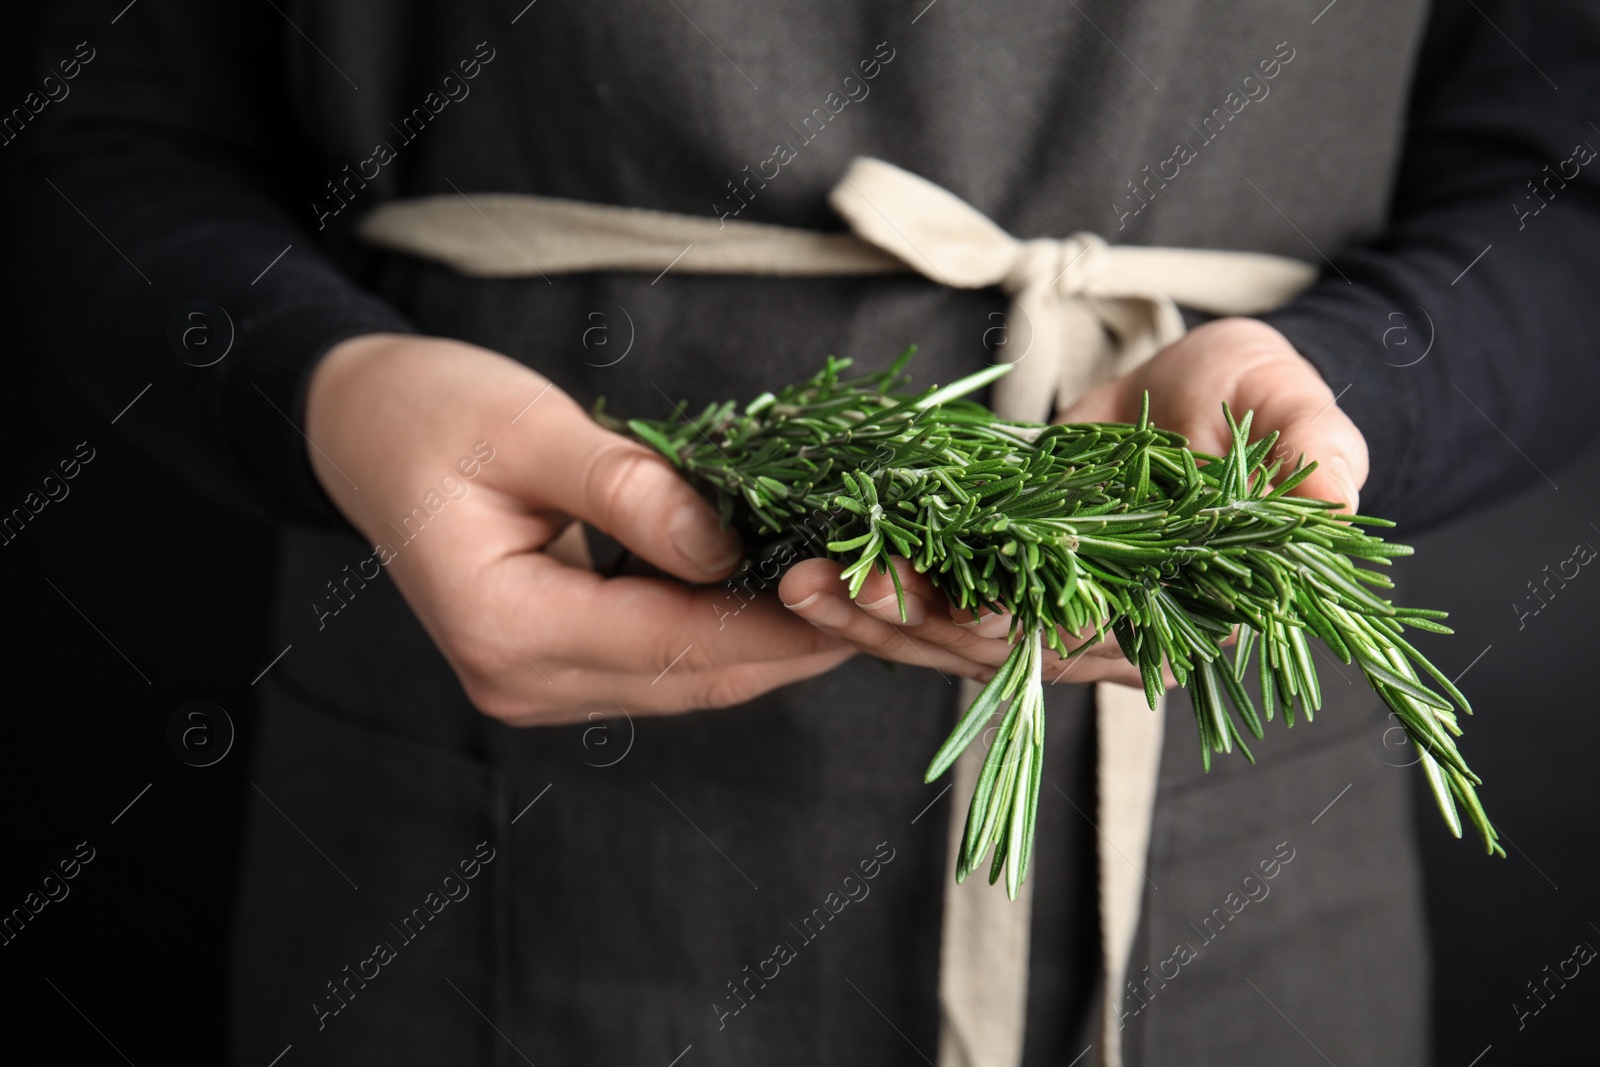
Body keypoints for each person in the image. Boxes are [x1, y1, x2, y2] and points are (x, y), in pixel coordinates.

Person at [20, 2, 1599, 1065]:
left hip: (1235, 877)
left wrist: (1348, 398)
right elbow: (93, 125)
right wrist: (328, 386)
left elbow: (1567, 181)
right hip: (489, 862)